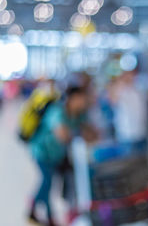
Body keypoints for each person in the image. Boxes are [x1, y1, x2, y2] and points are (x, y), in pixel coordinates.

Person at [28, 87, 90, 226]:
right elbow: (61, 135)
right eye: (81, 99)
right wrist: (76, 134)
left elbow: (87, 131)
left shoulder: (77, 115)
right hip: (42, 152)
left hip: (56, 155)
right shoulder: (57, 112)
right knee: (47, 182)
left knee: (49, 184)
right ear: (72, 98)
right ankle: (34, 207)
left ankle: (46, 216)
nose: (84, 102)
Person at [111, 71, 148, 154]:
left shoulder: (138, 89)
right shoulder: (120, 91)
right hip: (127, 135)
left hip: (142, 132)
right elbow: (112, 99)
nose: (130, 77)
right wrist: (120, 82)